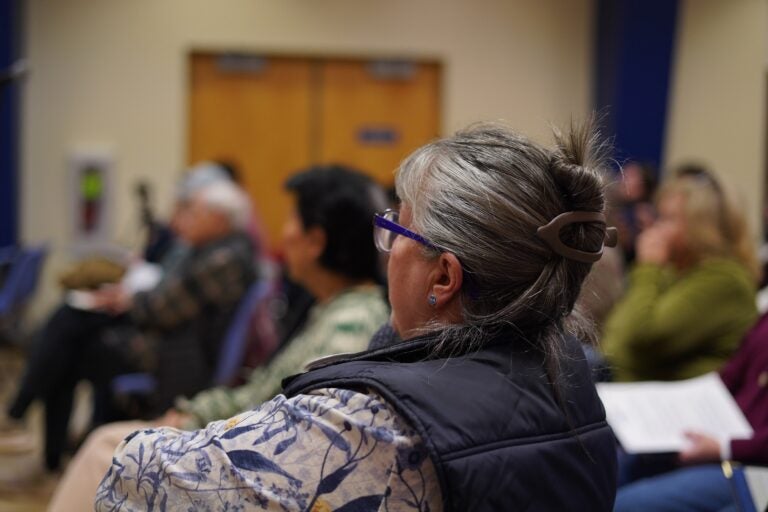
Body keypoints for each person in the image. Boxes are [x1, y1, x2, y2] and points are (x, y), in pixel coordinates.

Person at [93, 121, 618, 511]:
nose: (387, 249)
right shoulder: (572, 379)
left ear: (443, 278)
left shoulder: (372, 424)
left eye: (400, 231)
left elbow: (133, 480)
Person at [46, 164, 390, 511]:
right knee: (102, 423)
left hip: (247, 453)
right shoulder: (330, 309)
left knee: (106, 449)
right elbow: (263, 398)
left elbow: (293, 436)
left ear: (316, 241)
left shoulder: (348, 325)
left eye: (291, 221)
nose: (283, 235)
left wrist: (196, 423)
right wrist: (192, 414)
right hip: (235, 425)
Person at [2, 178, 257, 471]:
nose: (185, 219)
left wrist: (125, 301)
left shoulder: (224, 258)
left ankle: (27, 417)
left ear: (219, 219)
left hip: (173, 356)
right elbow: (166, 294)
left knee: (67, 343)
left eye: (194, 213)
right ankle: (40, 439)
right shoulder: (214, 248)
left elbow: (162, 310)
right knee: (67, 326)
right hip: (168, 341)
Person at [601, 167, 759, 382]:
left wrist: (648, 267)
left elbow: (642, 335)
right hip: (623, 385)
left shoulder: (725, 280)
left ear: (703, 228)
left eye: (669, 219)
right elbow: (616, 332)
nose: (657, 228)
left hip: (663, 404)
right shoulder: (676, 271)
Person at [614, 311, 768, 512]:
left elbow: (652, 333)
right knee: (606, 468)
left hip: (751, 465)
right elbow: (729, 378)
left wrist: (723, 448)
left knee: (627, 504)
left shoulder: (725, 284)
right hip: (720, 434)